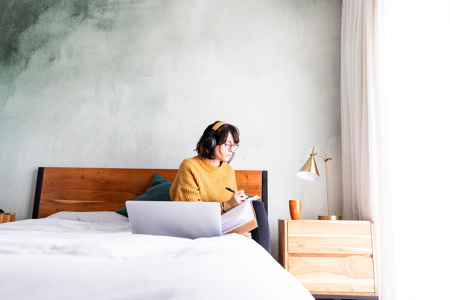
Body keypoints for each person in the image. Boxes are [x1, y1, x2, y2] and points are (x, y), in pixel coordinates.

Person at [170, 121, 247, 213]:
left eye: (233, 146)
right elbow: (192, 211)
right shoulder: (189, 166)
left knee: (257, 206)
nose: (231, 150)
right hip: (199, 224)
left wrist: (239, 202)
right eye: (227, 144)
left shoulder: (229, 170)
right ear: (211, 142)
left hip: (225, 223)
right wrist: (228, 204)